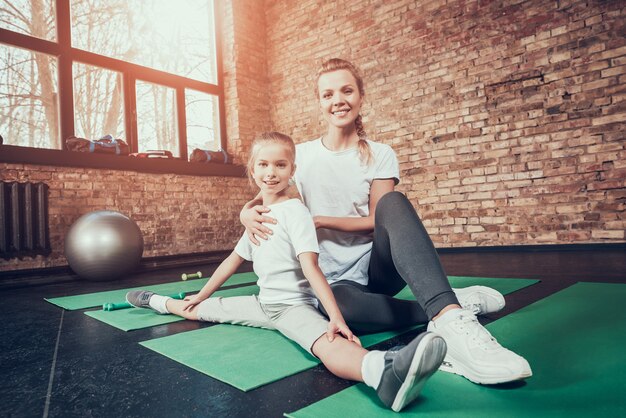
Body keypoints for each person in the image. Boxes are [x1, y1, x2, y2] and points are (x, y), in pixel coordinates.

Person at [240, 59, 532, 385]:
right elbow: (270, 194)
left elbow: (376, 221)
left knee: (393, 202)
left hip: (376, 270)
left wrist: (320, 220)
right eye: (328, 94)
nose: (338, 100)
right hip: (333, 284)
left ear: (360, 97)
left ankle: (451, 321)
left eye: (347, 90)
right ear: (319, 102)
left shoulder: (379, 153)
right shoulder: (301, 155)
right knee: (333, 309)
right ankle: (451, 303)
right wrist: (245, 212)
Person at [127, 132, 446, 412]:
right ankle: (153, 300)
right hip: (262, 304)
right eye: (263, 165)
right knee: (197, 309)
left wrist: (335, 316)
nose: (271, 172)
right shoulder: (258, 216)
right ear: (252, 171)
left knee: (326, 343)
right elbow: (233, 261)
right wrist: (203, 294)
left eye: (280, 165)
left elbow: (312, 268)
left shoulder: (296, 213)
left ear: (292, 171)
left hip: (293, 308)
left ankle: (383, 372)